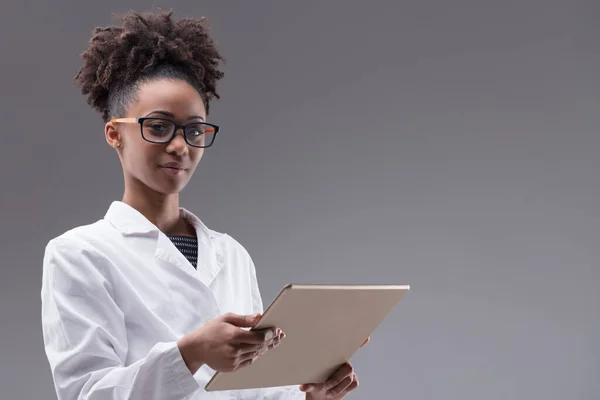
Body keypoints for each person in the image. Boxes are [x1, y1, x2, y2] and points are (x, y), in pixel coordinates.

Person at [40, 9, 365, 400]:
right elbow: (86, 393)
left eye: (194, 130)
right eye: (158, 127)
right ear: (114, 134)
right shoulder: (79, 255)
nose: (181, 146)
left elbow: (249, 390)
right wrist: (190, 353)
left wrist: (309, 396)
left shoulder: (232, 255)